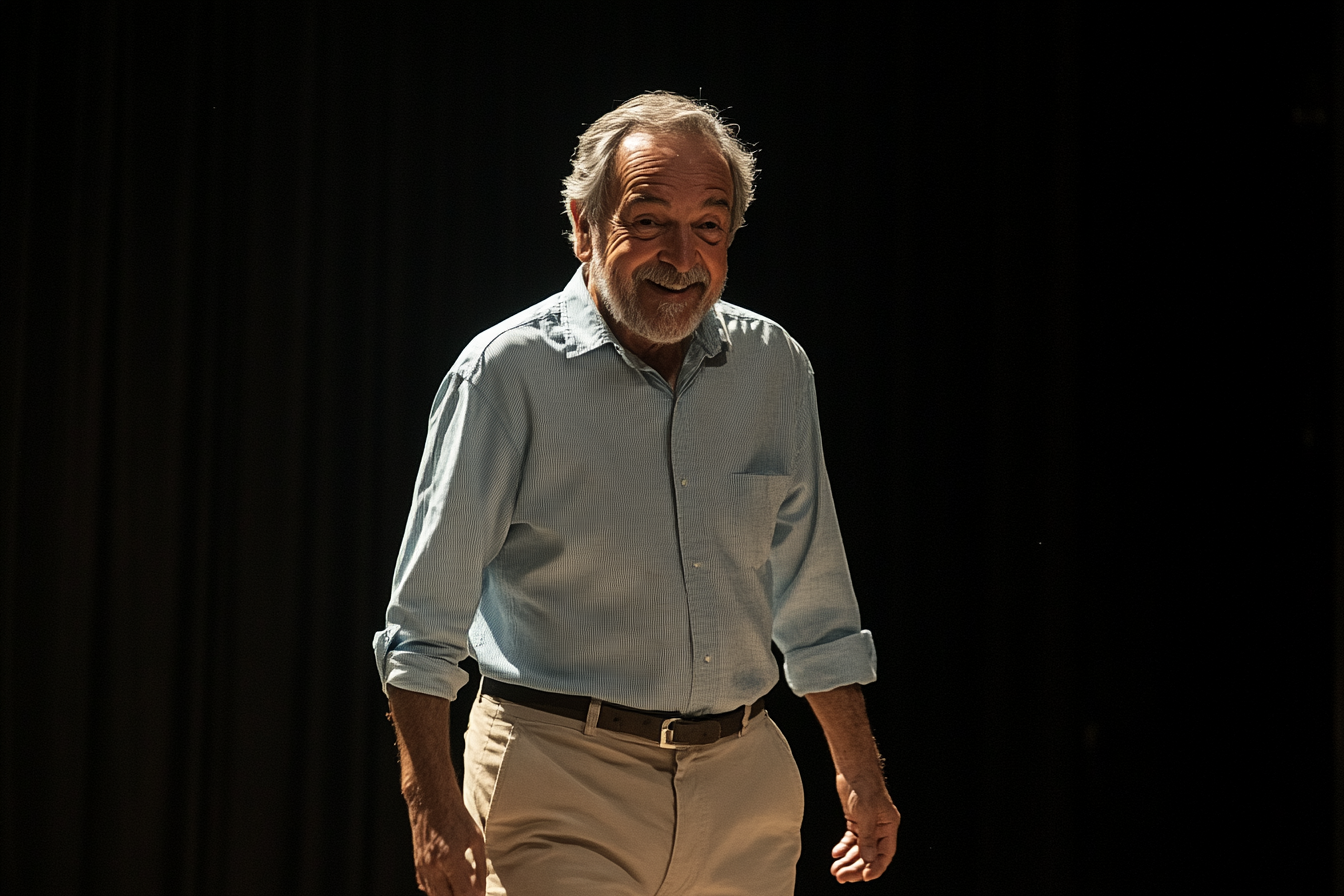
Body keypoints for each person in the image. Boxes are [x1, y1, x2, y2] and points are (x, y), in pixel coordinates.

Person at [373, 91, 899, 896]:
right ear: (582, 226)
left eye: (709, 228)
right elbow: (422, 628)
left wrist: (860, 771)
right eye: (647, 221)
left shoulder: (775, 370)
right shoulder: (507, 375)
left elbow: (815, 602)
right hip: (557, 780)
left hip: (744, 788)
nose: (680, 257)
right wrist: (431, 806)